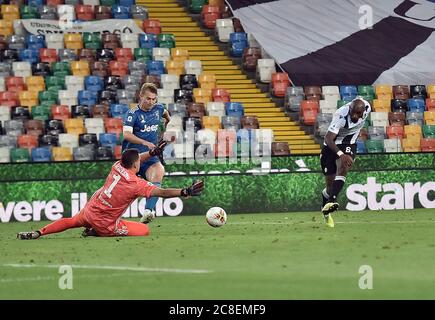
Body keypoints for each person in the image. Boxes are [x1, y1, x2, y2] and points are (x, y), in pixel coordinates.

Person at [17, 143, 204, 240]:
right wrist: (184, 191)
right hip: (105, 224)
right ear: (136, 164)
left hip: (91, 209)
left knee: (71, 221)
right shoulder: (136, 184)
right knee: (144, 230)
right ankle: (96, 233)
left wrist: (152, 153)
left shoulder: (117, 165)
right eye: (139, 160)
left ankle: (39, 232)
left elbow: (135, 157)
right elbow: (161, 192)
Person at [122, 82, 171, 223]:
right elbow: (126, 135)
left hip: (150, 157)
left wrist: (165, 128)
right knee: (122, 192)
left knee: (159, 171)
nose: (151, 102)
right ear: (140, 97)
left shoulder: (159, 109)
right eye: (148, 98)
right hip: (132, 159)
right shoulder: (132, 114)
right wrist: (144, 142)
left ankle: (148, 212)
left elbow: (167, 116)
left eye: (153, 99)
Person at [320, 97, 371, 227]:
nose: (354, 116)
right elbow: (328, 138)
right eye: (352, 112)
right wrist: (341, 154)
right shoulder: (340, 115)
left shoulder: (367, 107)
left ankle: (332, 201)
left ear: (363, 112)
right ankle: (326, 212)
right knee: (330, 187)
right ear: (349, 109)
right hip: (330, 145)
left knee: (344, 166)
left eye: (357, 114)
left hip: (349, 143)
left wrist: (344, 155)